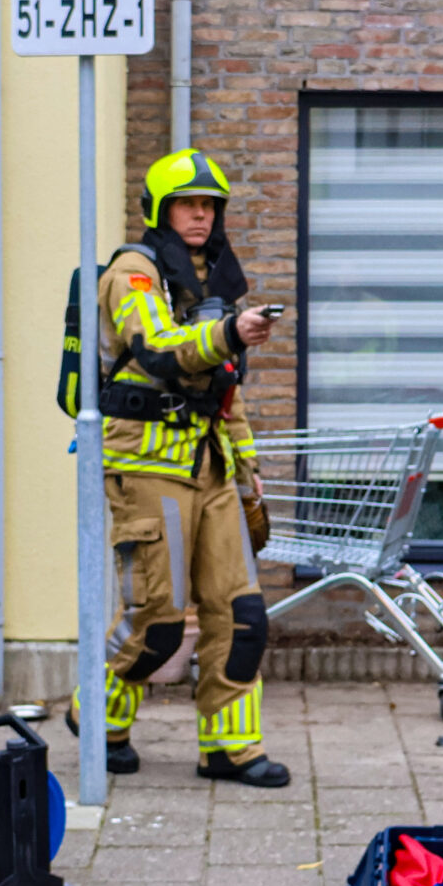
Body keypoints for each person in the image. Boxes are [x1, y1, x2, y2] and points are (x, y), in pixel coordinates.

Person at [69, 149, 286, 786]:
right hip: (145, 466)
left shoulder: (211, 283)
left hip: (211, 467)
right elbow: (158, 349)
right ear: (161, 210)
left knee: (242, 614)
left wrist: (247, 465)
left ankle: (230, 749)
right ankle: (97, 716)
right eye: (188, 203)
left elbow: (225, 388)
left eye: (210, 205)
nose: (201, 214)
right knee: (159, 623)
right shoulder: (133, 274)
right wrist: (229, 335)